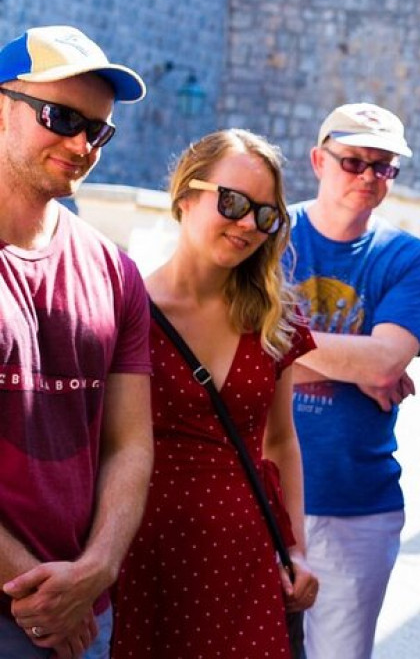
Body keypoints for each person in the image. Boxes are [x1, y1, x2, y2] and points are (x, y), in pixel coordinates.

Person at [110, 129, 319, 657]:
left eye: (266, 214)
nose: (249, 223)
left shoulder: (275, 317)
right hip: (143, 555)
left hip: (245, 558)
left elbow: (282, 442)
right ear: (185, 196)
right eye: (233, 201)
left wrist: (296, 548)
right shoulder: (122, 306)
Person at [0, 25, 153, 659]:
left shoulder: (114, 270)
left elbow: (128, 442)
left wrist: (96, 570)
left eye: (98, 129)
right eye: (59, 116)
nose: (81, 142)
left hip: (83, 614)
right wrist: (36, 592)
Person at [284, 103, 420, 659]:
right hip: (261, 492)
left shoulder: (406, 256)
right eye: (354, 162)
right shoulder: (270, 234)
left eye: (385, 167)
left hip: (355, 501)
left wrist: (276, 345)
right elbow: (223, 345)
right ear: (318, 160)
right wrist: (359, 362)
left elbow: (385, 362)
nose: (370, 177)